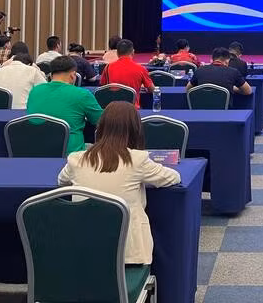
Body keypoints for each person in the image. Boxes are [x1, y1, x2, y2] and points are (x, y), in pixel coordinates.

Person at [57, 102, 180, 265]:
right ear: (135, 130)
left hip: (84, 249)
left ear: (100, 128)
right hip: (128, 254)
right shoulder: (138, 160)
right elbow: (173, 177)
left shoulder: (77, 159)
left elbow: (62, 181)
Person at [27, 55, 104, 154]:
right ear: (73, 75)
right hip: (71, 155)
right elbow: (101, 121)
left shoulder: (35, 90)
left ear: (51, 75)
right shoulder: (82, 94)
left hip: (37, 150)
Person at [100, 39, 154, 109]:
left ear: (117, 53)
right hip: (132, 110)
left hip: (112, 109)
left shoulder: (108, 67)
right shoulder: (141, 69)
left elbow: (103, 86)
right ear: (133, 52)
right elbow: (152, 89)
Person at [187, 47, 252, 95]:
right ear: (227, 61)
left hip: (200, 110)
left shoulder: (199, 70)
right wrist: (233, 88)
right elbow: (248, 91)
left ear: (212, 59)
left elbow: (188, 89)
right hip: (225, 112)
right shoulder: (234, 72)